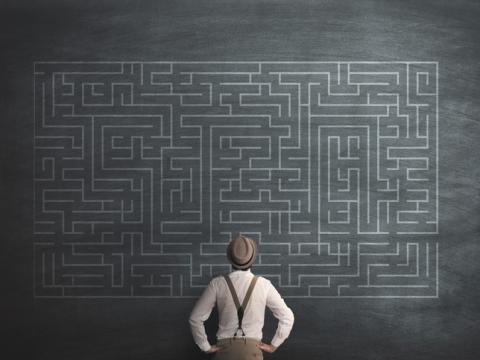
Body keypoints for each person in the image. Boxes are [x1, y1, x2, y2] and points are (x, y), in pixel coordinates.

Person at [189, 235, 294, 359]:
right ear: (252, 258)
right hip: (252, 351)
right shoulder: (264, 285)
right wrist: (274, 345)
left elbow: (195, 318)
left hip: (225, 351)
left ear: (230, 258)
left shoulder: (217, 284)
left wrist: (205, 346)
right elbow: (287, 317)